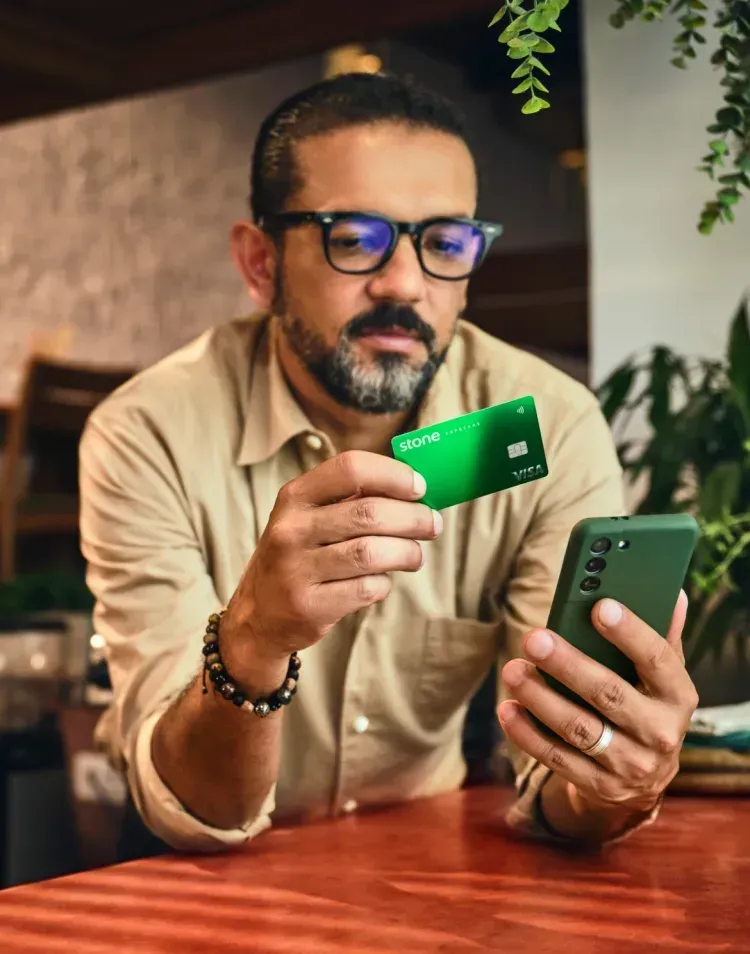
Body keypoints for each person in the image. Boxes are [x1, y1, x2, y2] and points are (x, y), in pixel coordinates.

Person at [79, 72, 698, 857]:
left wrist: (617, 778)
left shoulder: (546, 425)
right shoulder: (147, 433)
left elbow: (560, 785)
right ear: (261, 263)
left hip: (425, 866)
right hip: (199, 885)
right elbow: (193, 808)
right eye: (355, 237)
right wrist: (254, 640)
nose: (405, 283)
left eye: (444, 244)